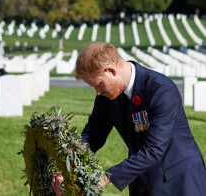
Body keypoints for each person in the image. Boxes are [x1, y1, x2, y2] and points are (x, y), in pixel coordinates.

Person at [52, 42, 206, 196]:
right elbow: (92, 136)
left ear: (111, 71)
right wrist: (68, 164)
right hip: (140, 181)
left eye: (98, 84)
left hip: (178, 182)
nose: (97, 92)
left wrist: (105, 177)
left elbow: (154, 150)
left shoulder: (161, 90)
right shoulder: (106, 96)